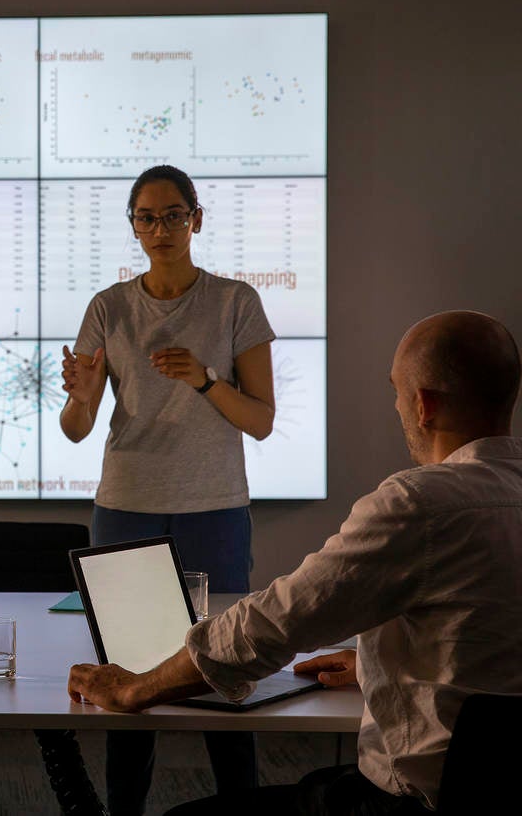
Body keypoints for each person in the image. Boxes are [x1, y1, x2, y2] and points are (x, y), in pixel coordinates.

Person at [68, 310, 522, 815]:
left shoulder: (420, 504)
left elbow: (271, 624)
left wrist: (136, 687)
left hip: (412, 802)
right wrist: (373, 663)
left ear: (423, 405)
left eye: (395, 391)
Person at [57, 164, 276, 814]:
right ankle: (126, 808)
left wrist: (206, 381)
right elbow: (76, 430)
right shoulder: (109, 307)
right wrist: (76, 395)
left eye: (174, 215)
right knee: (129, 669)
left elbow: (261, 421)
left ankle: (244, 803)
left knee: (226, 663)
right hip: (125, 505)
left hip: (214, 507)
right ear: (133, 226)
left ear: (196, 219)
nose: (160, 228)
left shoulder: (235, 301)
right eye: (147, 218)